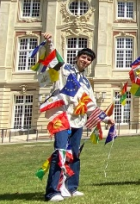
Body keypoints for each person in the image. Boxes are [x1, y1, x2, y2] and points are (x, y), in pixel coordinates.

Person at [41, 33, 115, 202]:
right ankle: (52, 191)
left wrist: (105, 118)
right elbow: (53, 59)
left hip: (78, 120)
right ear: (77, 57)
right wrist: (48, 43)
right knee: (60, 151)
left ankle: (71, 187)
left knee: (74, 153)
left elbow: (90, 104)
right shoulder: (65, 69)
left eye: (89, 59)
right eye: (83, 57)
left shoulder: (86, 82)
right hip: (62, 116)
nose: (85, 61)